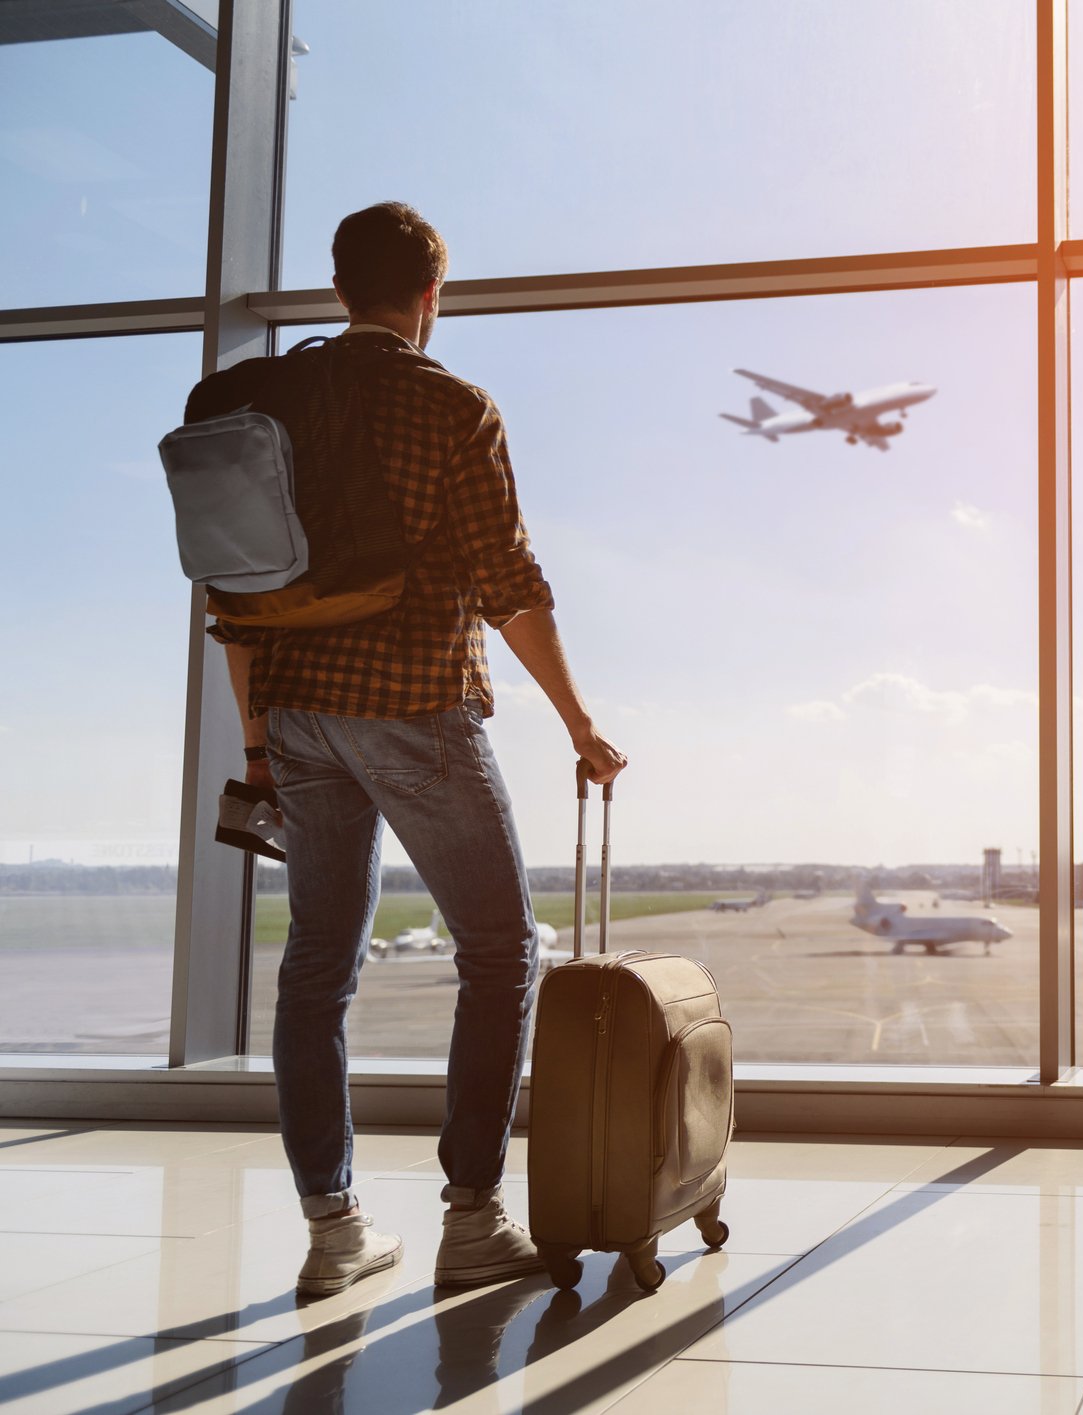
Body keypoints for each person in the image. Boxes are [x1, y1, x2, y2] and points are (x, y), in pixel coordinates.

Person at [211, 202, 625, 1297]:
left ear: (341, 285)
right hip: (412, 703)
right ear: (430, 295)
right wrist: (579, 721)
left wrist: (258, 743)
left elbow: (234, 598)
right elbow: (508, 582)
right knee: (499, 951)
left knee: (318, 966)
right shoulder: (451, 405)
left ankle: (332, 1225)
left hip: (296, 713)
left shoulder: (268, 402)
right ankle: (473, 1213)